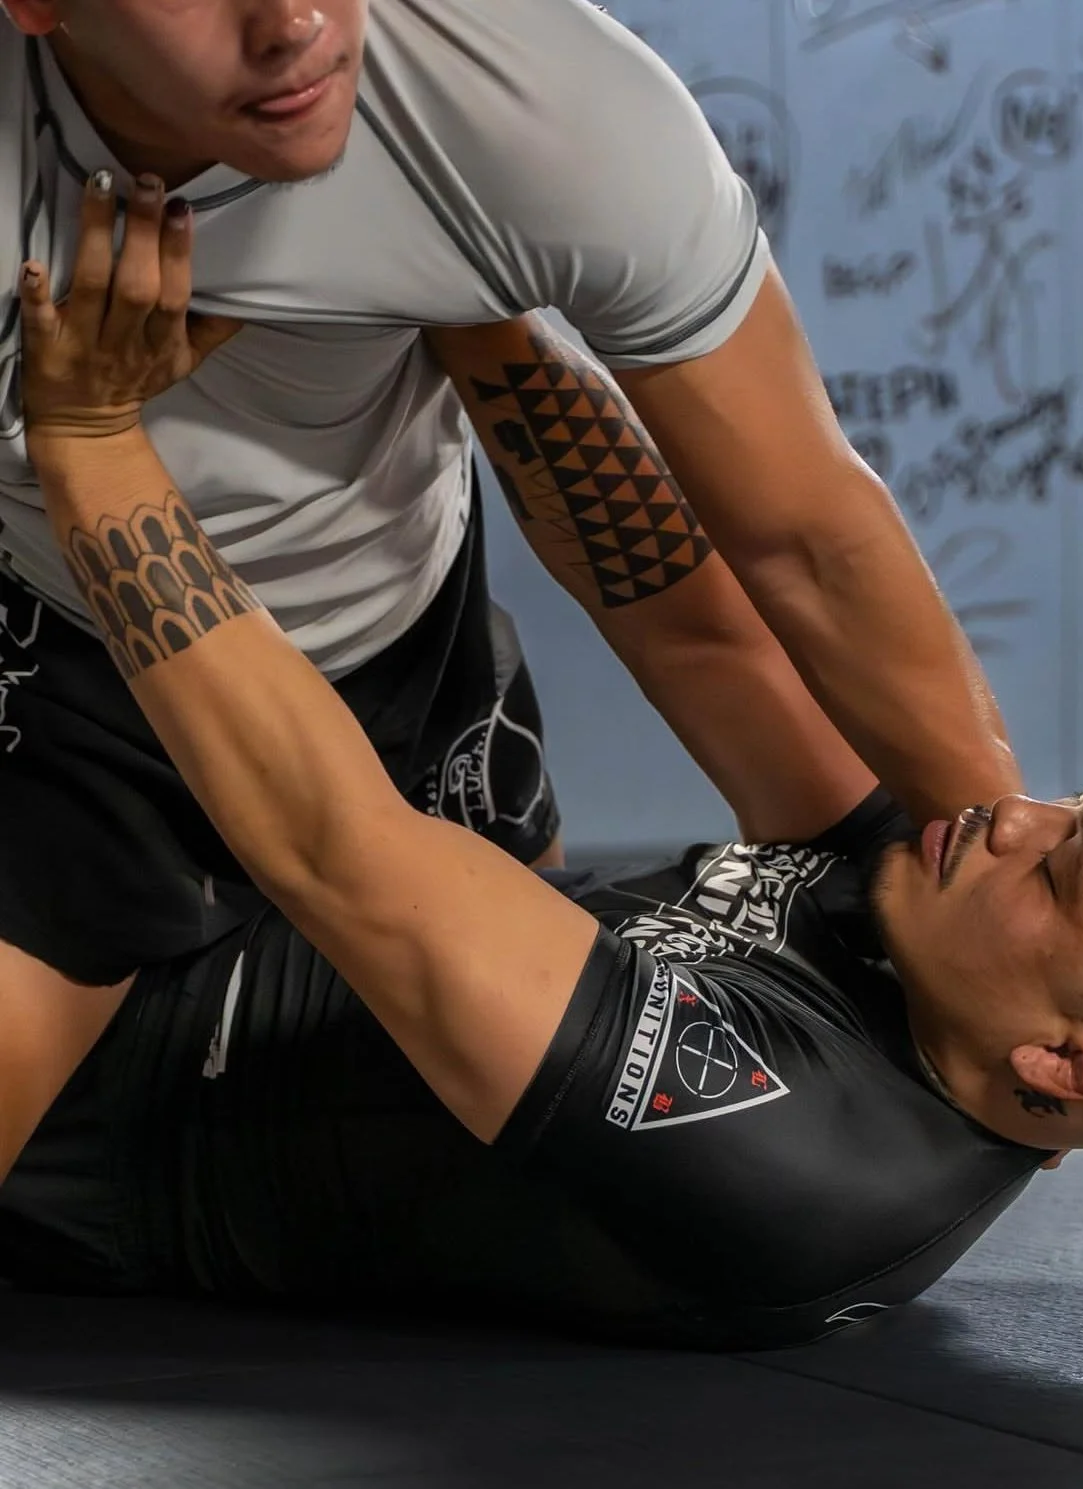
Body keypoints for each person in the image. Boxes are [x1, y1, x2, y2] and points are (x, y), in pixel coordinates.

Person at [3, 185, 1083, 1352]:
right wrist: (474, 297)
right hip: (290, 898)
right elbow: (694, 618)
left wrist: (89, 439)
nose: (1013, 814)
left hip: (120, 1088)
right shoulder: (949, 914)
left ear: (1062, 1069)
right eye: (1071, 805)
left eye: (1058, 866)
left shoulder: (790, 1152)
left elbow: (344, 852)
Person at [0, 0, 1024, 1190]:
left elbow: (801, 545)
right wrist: (78, 435)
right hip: (74, 711)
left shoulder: (528, 95)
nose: (292, 23)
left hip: (413, 665)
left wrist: (1018, 895)